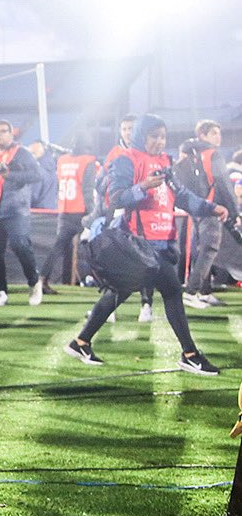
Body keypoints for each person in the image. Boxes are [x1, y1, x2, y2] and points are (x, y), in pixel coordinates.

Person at [65, 114, 227, 373]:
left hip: (162, 242)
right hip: (137, 243)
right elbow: (115, 198)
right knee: (173, 291)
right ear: (142, 136)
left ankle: (80, 341)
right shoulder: (125, 159)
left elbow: (181, 196)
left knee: (120, 291)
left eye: (163, 137)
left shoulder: (165, 161)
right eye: (154, 136)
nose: (159, 142)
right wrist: (142, 186)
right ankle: (190, 353)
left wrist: (211, 208)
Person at [0, 120, 44, 306]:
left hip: (15, 210)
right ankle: (0, 291)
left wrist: (10, 175)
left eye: (3, 131)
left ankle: (34, 281)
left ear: (11, 134)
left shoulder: (22, 153)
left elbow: (37, 175)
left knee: (20, 245)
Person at [181, 120, 237, 308]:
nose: (218, 137)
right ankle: (192, 291)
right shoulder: (213, 155)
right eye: (213, 133)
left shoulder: (190, 154)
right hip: (213, 208)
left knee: (201, 250)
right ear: (202, 135)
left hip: (196, 209)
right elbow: (223, 184)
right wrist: (234, 210)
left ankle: (204, 292)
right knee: (209, 250)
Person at [103, 114, 154, 322]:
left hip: (142, 216)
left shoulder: (148, 153)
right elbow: (102, 182)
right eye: (124, 129)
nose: (128, 133)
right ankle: (110, 308)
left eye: (131, 128)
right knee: (116, 262)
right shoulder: (115, 153)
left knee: (146, 261)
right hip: (118, 213)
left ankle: (146, 304)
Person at [39, 143, 99, 293]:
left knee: (58, 248)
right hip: (81, 210)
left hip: (65, 209)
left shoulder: (63, 160)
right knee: (95, 245)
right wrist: (92, 214)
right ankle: (103, 281)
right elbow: (87, 189)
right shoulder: (87, 161)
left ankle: (42, 279)